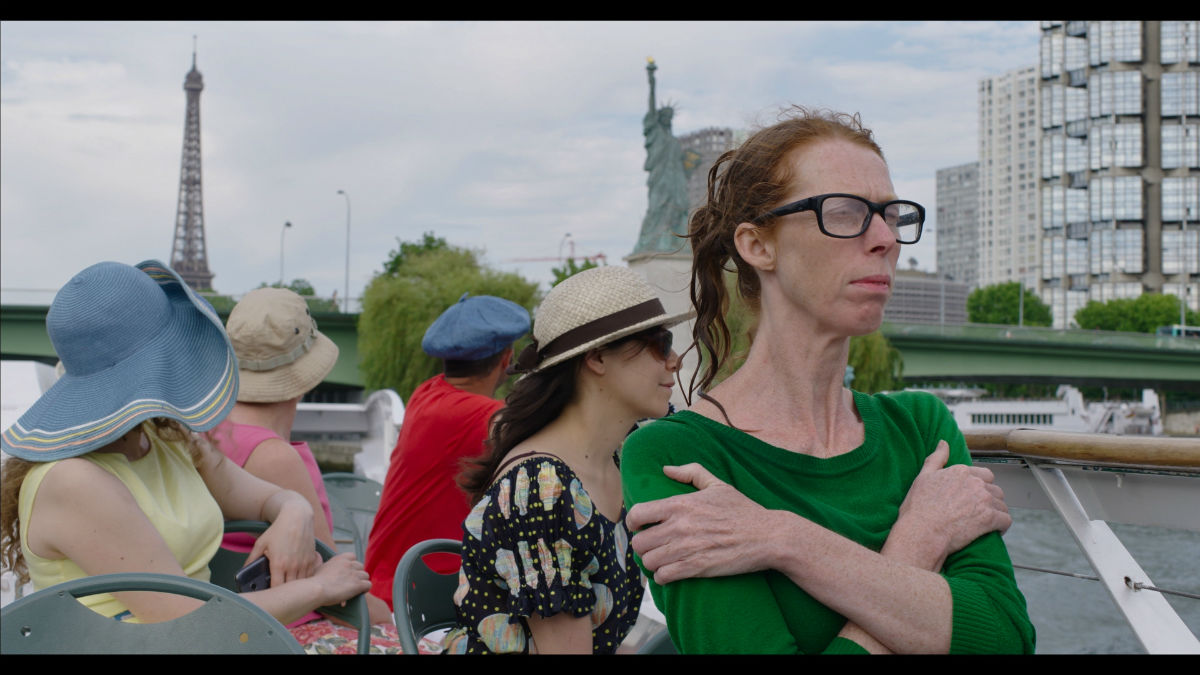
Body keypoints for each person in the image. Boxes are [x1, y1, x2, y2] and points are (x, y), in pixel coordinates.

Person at [620, 108, 1036, 654]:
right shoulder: (676, 454)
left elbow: (1005, 639)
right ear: (757, 245)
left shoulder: (920, 426)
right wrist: (917, 543)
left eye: (892, 215)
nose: (886, 238)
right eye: (845, 213)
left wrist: (779, 538)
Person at [0, 260, 369, 649]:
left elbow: (266, 496)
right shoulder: (73, 479)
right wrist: (319, 588)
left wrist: (295, 513)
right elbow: (186, 625)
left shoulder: (164, 438)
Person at [440, 265, 691, 654]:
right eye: (660, 342)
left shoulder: (617, 458)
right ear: (597, 359)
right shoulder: (540, 488)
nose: (674, 359)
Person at [213, 286, 398, 647]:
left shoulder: (203, 434)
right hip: (289, 632)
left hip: (232, 628)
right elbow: (339, 600)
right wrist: (392, 616)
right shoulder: (275, 457)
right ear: (304, 376)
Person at [364, 292, 530, 609]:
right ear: (507, 359)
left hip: (391, 585)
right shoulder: (480, 416)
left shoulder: (426, 394)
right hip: (416, 603)